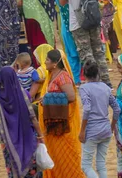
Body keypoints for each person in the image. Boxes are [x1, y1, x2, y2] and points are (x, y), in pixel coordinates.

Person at [59, 0, 111, 86]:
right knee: (98, 51)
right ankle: (106, 81)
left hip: (77, 21)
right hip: (93, 18)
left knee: (86, 53)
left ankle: (93, 81)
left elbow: (62, 2)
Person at [0, 66, 44, 178]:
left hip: (7, 138)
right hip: (27, 134)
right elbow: (32, 117)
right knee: (31, 159)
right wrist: (40, 134)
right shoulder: (24, 94)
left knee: (12, 161)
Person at [38, 49, 84, 178]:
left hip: (61, 126)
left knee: (67, 160)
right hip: (53, 124)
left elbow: (71, 96)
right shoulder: (52, 75)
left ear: (55, 63)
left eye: (47, 60)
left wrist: (48, 98)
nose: (45, 62)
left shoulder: (63, 77)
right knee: (55, 158)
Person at [79, 60, 120, 178]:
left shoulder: (84, 88)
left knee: (86, 165)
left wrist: (82, 130)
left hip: (92, 131)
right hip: (106, 130)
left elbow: (87, 109)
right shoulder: (105, 87)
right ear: (98, 73)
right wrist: (111, 127)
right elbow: (116, 108)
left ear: (85, 74)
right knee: (101, 164)